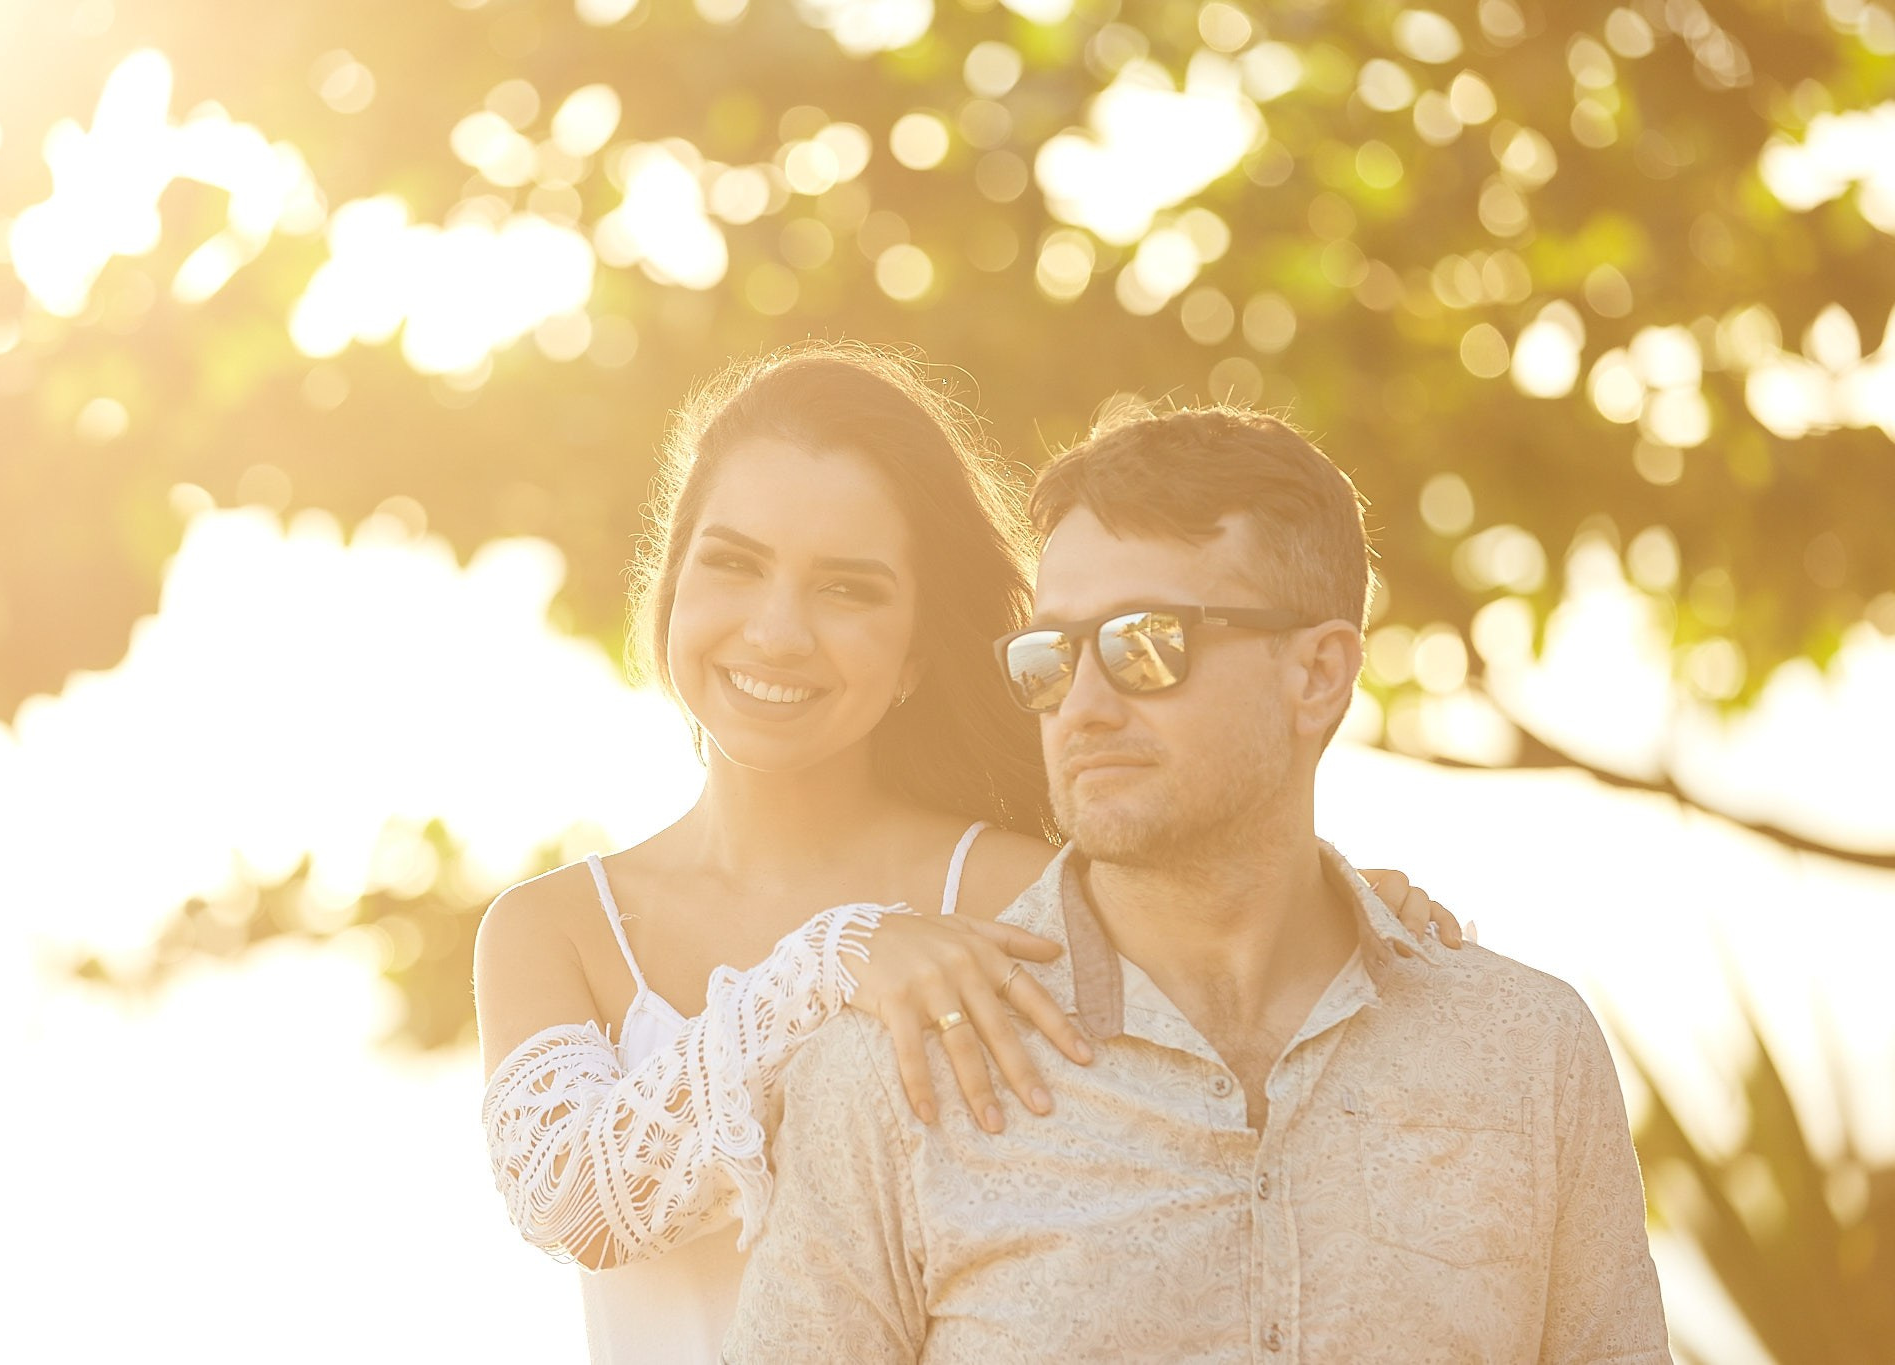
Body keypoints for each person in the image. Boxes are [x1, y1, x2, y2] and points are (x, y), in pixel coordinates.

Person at [475, 347, 1463, 1365]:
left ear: (915, 652)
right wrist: (828, 962)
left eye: (846, 590)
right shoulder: (553, 927)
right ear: (670, 582)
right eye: (731, 562)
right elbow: (573, 1204)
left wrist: (1335, 907)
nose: (775, 630)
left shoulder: (1014, 892)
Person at [725, 403, 1672, 1362]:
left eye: (1145, 643)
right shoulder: (892, 1077)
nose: (1082, 707)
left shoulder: (1527, 1056)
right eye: (1051, 656)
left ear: (1319, 673)